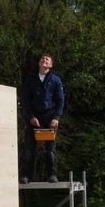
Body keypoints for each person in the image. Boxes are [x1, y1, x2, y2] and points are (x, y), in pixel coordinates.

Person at [19, 53, 66, 183]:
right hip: (34, 118)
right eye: (42, 58)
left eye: (47, 59)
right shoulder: (31, 79)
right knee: (29, 149)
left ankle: (52, 175)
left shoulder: (56, 80)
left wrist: (56, 117)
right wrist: (30, 116)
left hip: (49, 118)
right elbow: (25, 100)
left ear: (51, 65)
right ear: (39, 63)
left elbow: (60, 100)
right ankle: (26, 176)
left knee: (50, 149)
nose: (44, 60)